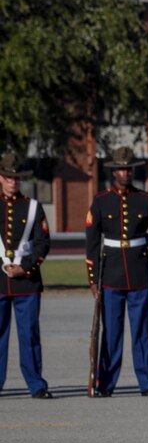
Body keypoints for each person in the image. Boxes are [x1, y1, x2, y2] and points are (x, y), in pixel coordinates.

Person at [85, 147, 148, 397]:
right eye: (120, 169)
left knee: (141, 332)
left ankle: (147, 383)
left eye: (128, 168)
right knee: (111, 333)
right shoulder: (101, 200)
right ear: (114, 171)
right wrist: (93, 280)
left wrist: (143, 241)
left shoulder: (146, 199)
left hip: (138, 273)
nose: (125, 173)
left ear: (133, 170)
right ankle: (106, 383)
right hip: (111, 274)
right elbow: (92, 243)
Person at [0, 153, 51, 399]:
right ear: (1, 178)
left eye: (16, 178)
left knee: (29, 334)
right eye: (8, 177)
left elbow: (43, 243)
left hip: (27, 280)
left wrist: (26, 267)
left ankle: (35, 383)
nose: (13, 182)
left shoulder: (32, 206)